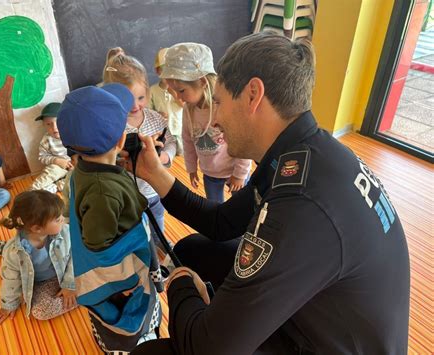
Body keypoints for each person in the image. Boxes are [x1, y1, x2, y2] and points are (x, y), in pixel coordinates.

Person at [129, 32, 410, 354]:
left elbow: (205, 349)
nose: (215, 118)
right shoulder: (304, 154)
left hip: (318, 341)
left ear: (253, 95)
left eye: (219, 101)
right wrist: (153, 172)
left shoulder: (303, 204)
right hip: (318, 312)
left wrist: (179, 283)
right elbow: (221, 223)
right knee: (195, 248)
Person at [57, 83, 163, 353]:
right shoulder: (104, 192)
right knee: (131, 318)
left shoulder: (83, 169)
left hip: (119, 276)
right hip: (120, 282)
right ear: (118, 141)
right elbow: (98, 243)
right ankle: (137, 340)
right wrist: (122, 286)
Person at [103, 47, 177, 249]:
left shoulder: (155, 118)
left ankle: (160, 241)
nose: (135, 106)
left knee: (157, 222)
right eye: (127, 100)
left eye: (141, 98)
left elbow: (171, 143)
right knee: (132, 231)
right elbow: (106, 160)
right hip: (126, 196)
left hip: (154, 191)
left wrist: (164, 158)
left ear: (147, 91)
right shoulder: (111, 125)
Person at [161, 42, 252, 203]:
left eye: (181, 91)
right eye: (174, 91)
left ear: (202, 82)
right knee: (215, 210)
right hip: (210, 174)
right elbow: (188, 142)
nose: (178, 97)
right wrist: (191, 169)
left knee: (244, 208)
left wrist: (239, 175)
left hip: (234, 172)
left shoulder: (225, 107)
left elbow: (244, 141)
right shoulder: (188, 111)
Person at [0, 190, 77, 325]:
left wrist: (69, 284)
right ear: (37, 228)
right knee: (39, 312)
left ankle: (84, 292)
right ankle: (88, 294)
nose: (63, 220)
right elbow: (11, 280)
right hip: (43, 282)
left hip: (70, 272)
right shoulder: (14, 252)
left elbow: (75, 257)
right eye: (58, 219)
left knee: (96, 268)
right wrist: (8, 305)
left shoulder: (65, 231)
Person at [31, 103, 74, 193]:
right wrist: (56, 161)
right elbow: (42, 157)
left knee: (75, 180)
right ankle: (33, 191)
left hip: (75, 166)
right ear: (44, 125)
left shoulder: (73, 133)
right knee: (48, 174)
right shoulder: (47, 140)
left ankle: (56, 187)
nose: (54, 128)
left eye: (58, 122)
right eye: (48, 124)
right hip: (58, 166)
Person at [149, 47, 185, 155]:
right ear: (157, 71)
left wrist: (173, 91)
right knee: (166, 156)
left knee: (182, 156)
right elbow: (148, 111)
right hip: (162, 133)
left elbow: (184, 105)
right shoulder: (152, 90)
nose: (168, 73)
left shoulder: (181, 88)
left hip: (179, 131)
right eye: (164, 69)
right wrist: (157, 114)